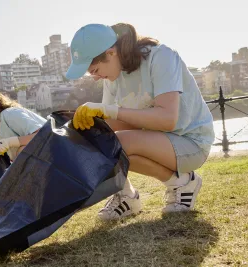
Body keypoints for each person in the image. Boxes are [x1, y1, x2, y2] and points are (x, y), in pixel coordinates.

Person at [65, 23, 214, 220]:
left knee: (118, 143)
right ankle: (131, 196)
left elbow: (167, 119)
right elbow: (123, 124)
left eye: (94, 70)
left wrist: (108, 110)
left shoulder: (161, 56)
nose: (94, 77)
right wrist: (81, 129)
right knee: (100, 143)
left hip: (191, 142)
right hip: (158, 141)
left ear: (110, 54)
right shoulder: (112, 77)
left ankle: (179, 184)